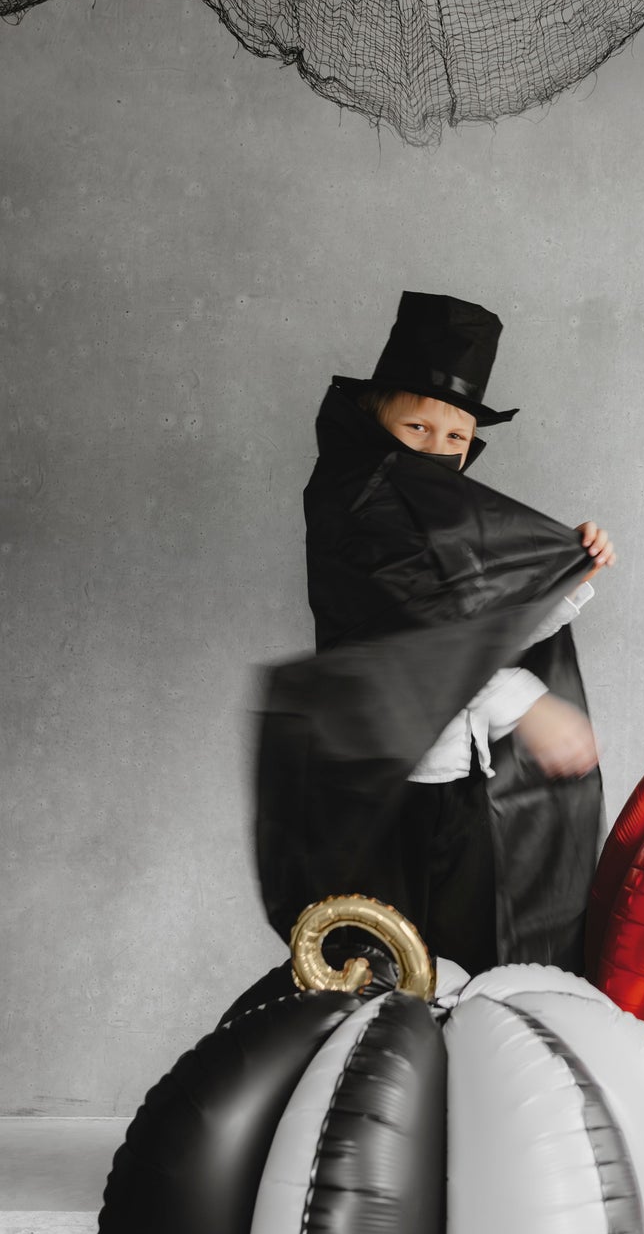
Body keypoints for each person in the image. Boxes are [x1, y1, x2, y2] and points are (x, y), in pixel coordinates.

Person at [253, 291, 612, 980]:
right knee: (379, 974)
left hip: (463, 784)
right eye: (417, 427)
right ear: (373, 417)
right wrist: (526, 702)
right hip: (386, 792)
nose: (437, 449)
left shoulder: (446, 514)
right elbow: (407, 632)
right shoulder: (356, 502)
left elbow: (484, 627)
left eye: (455, 438)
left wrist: (565, 577)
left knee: (474, 972)